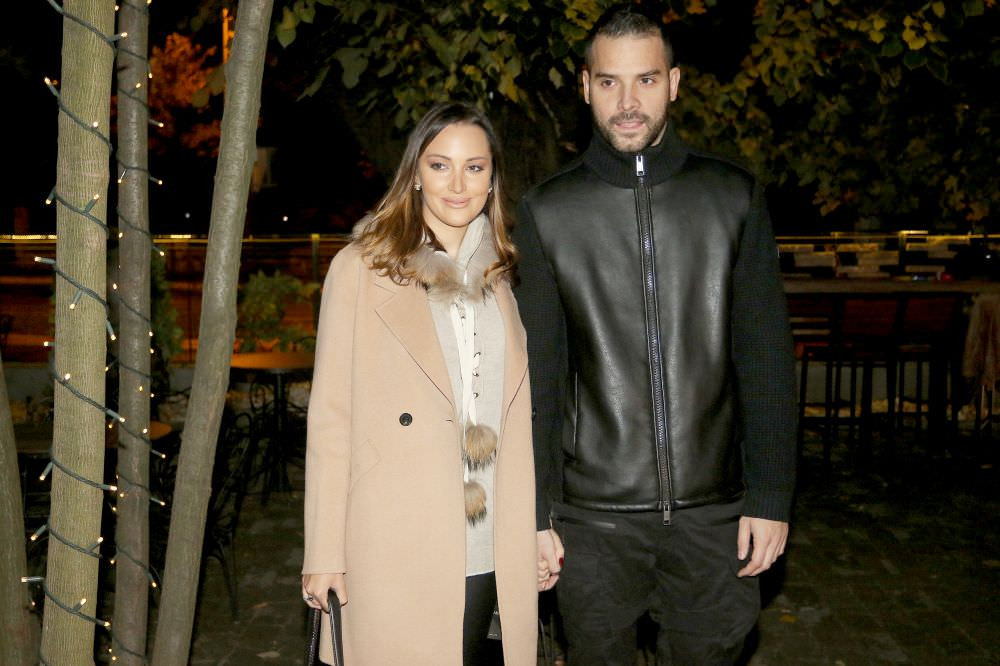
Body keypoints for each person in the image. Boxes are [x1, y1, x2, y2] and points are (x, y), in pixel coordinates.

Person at [513, 6, 797, 665]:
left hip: (714, 514)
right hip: (592, 518)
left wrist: (771, 495)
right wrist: (535, 512)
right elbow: (539, 377)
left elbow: (764, 356)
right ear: (585, 87)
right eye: (609, 82)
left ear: (674, 82)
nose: (627, 102)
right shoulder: (548, 211)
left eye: (645, 80)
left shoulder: (733, 196)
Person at [300, 102, 561, 665]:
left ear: (492, 179)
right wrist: (323, 552)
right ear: (415, 173)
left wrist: (536, 526)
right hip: (393, 530)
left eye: (475, 167)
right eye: (440, 165)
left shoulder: (504, 276)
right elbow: (330, 420)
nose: (458, 185)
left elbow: (520, 418)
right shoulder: (361, 269)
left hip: (488, 533)